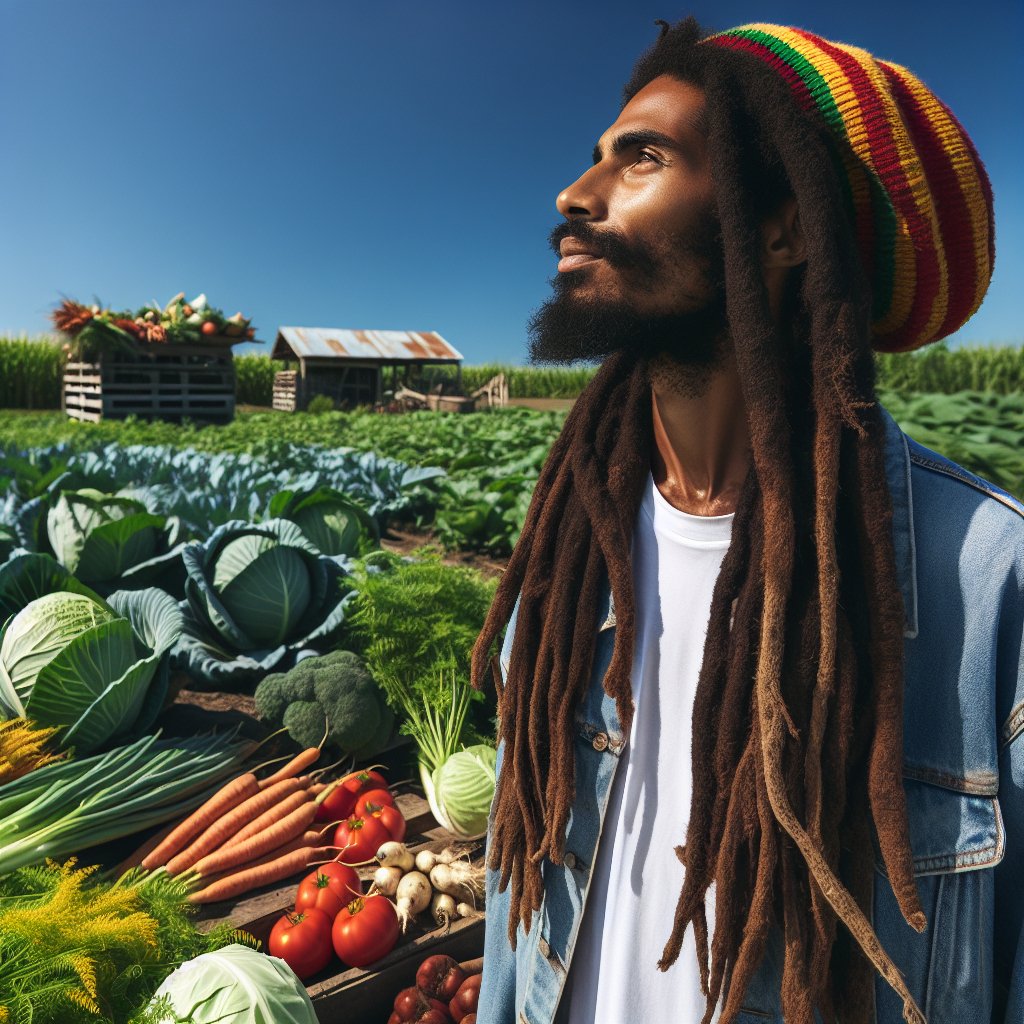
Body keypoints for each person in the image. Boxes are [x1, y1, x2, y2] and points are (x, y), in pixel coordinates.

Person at [470, 17, 1023, 1024]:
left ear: (783, 231)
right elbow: (520, 899)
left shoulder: (988, 580)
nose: (574, 195)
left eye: (641, 158)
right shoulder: (563, 557)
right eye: (594, 157)